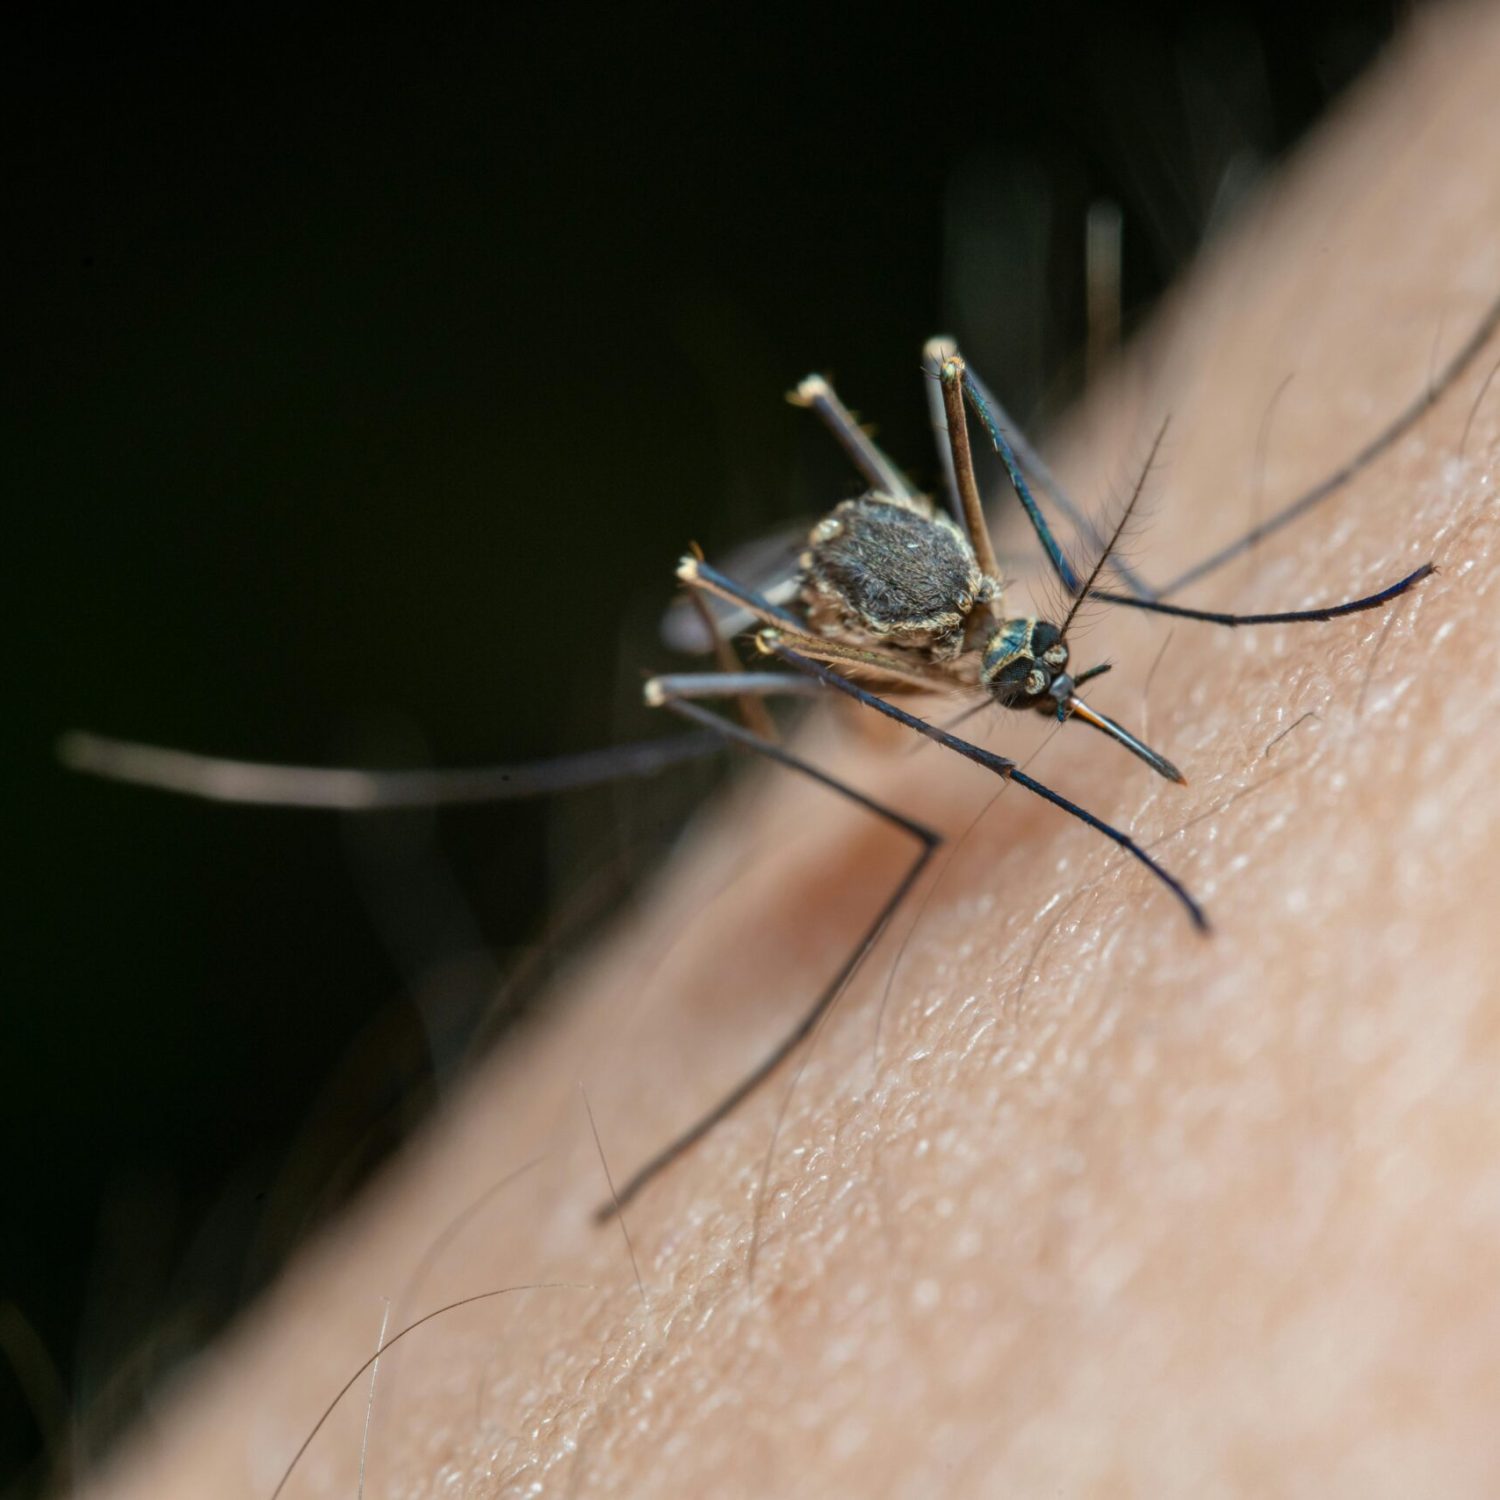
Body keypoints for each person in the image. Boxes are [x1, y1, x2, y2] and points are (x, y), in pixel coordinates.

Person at [80, 7, 1500, 1495]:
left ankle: (1150, 588)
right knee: (729, 651)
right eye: (1027, 674)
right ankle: (914, 839)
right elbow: (773, 648)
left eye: (1037, 667)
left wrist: (1142, 593)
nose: (1046, 680)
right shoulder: (913, 651)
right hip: (827, 626)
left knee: (950, 388)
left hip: (918, 585)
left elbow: (1010, 557)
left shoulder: (998, 614)